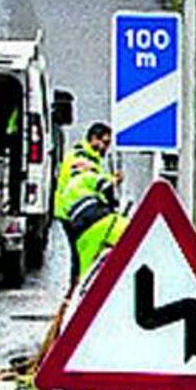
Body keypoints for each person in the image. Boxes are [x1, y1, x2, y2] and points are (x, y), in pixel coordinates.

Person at [55, 121, 128, 286]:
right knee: (81, 253)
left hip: (72, 211)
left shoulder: (89, 157)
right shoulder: (81, 157)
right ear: (93, 139)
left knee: (81, 253)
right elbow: (88, 179)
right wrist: (112, 180)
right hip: (73, 212)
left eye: (108, 144)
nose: (105, 147)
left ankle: (77, 285)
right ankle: (78, 286)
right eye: (104, 142)